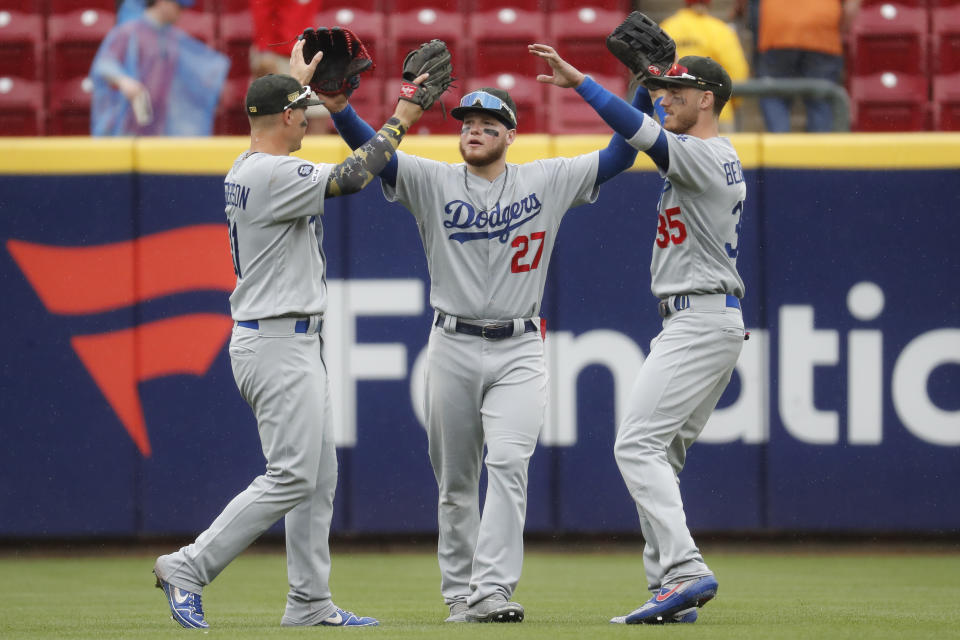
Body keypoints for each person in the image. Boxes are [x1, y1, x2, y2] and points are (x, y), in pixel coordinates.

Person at [317, 50, 644, 624]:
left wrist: (639, 89)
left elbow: (622, 153)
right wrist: (343, 112)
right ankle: (459, 595)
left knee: (510, 464)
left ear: (511, 135)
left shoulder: (547, 176)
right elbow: (376, 156)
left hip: (520, 346)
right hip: (452, 344)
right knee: (456, 483)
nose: (474, 132)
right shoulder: (431, 179)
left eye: (488, 125)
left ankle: (492, 590)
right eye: (467, 124)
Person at [151, 39, 427, 629]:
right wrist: (403, 116)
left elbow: (290, 115)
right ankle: (189, 565)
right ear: (284, 117)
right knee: (295, 474)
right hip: (276, 340)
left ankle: (308, 600)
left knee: (318, 476)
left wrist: (291, 78)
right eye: (304, 109)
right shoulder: (275, 172)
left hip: (281, 337)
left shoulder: (251, 165)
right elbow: (354, 176)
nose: (310, 117)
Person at [530, 44, 746, 624]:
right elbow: (645, 118)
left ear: (708, 99)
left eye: (679, 89)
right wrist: (644, 77)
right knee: (661, 457)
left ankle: (684, 571)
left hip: (698, 318)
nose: (665, 97)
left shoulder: (701, 154)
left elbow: (638, 129)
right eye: (662, 89)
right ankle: (667, 592)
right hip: (706, 318)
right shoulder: (707, 152)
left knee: (635, 445)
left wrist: (584, 83)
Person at [89, 0, 229, 136]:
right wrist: (124, 81)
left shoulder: (173, 37)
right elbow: (103, 64)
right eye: (178, 6)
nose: (181, 12)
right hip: (126, 124)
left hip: (157, 126)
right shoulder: (128, 31)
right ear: (162, 2)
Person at [756, 0, 861, 132]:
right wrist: (837, 28)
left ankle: (779, 147)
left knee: (774, 95)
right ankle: (819, 149)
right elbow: (852, 7)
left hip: (778, 29)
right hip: (822, 31)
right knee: (820, 101)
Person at [660, 0, 750, 132]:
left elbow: (654, 68)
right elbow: (737, 71)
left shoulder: (667, 28)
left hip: (671, 113)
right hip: (714, 115)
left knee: (670, 152)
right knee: (717, 153)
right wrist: (732, 102)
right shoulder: (719, 29)